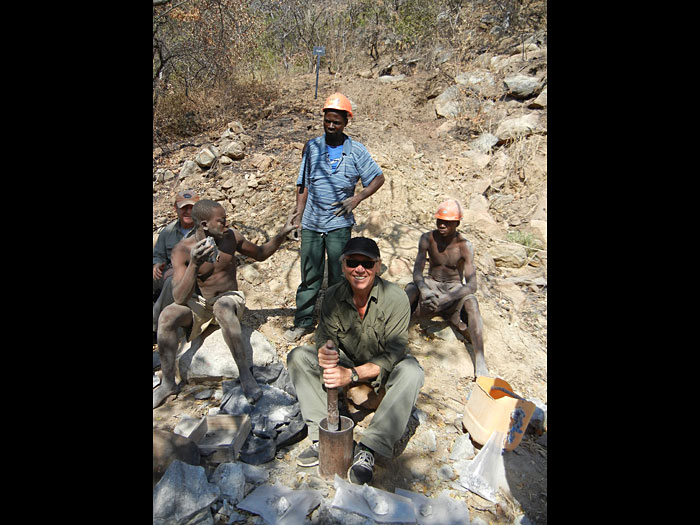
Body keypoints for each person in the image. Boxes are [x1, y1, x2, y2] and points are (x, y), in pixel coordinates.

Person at [287, 237, 424, 485]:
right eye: (353, 262)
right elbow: (325, 337)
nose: (359, 269)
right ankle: (322, 438)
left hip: (382, 374)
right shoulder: (333, 296)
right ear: (342, 266)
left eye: (367, 263)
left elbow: (394, 353)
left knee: (412, 371)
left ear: (377, 267)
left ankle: (370, 448)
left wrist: (350, 376)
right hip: (349, 364)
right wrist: (325, 352)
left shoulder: (396, 298)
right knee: (298, 357)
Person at [153, 199, 299, 409]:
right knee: (167, 316)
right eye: (221, 221)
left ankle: (245, 375)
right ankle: (167, 384)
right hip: (201, 303)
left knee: (222, 306)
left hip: (229, 299)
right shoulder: (183, 250)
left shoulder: (231, 237)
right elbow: (179, 298)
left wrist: (282, 233)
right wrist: (194, 264)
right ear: (204, 225)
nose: (226, 225)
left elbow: (260, 254)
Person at [284, 93, 385, 342]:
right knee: (310, 275)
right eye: (327, 121)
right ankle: (304, 322)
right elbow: (303, 184)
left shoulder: (357, 151)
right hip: (311, 223)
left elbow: (378, 178)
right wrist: (297, 214)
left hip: (339, 224)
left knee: (341, 278)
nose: (331, 126)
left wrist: (357, 198)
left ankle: (340, 324)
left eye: (336, 122)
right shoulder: (312, 147)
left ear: (346, 122)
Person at [404, 199, 488, 377]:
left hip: (453, 289)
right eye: (439, 221)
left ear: (457, 223)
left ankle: (480, 361)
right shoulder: (427, 239)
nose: (442, 225)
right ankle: (394, 334)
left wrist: (448, 297)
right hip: (431, 283)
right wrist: (424, 289)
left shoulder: (464, 246)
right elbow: (417, 272)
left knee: (472, 304)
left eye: (447, 222)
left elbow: (472, 285)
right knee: (409, 291)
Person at [153, 190, 200, 338]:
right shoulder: (168, 231)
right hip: (167, 272)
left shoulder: (204, 231)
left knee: (171, 281)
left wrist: (179, 270)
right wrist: (156, 265)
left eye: (191, 208)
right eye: (183, 208)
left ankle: (155, 327)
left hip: (192, 280)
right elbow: (158, 255)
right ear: (176, 208)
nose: (187, 212)